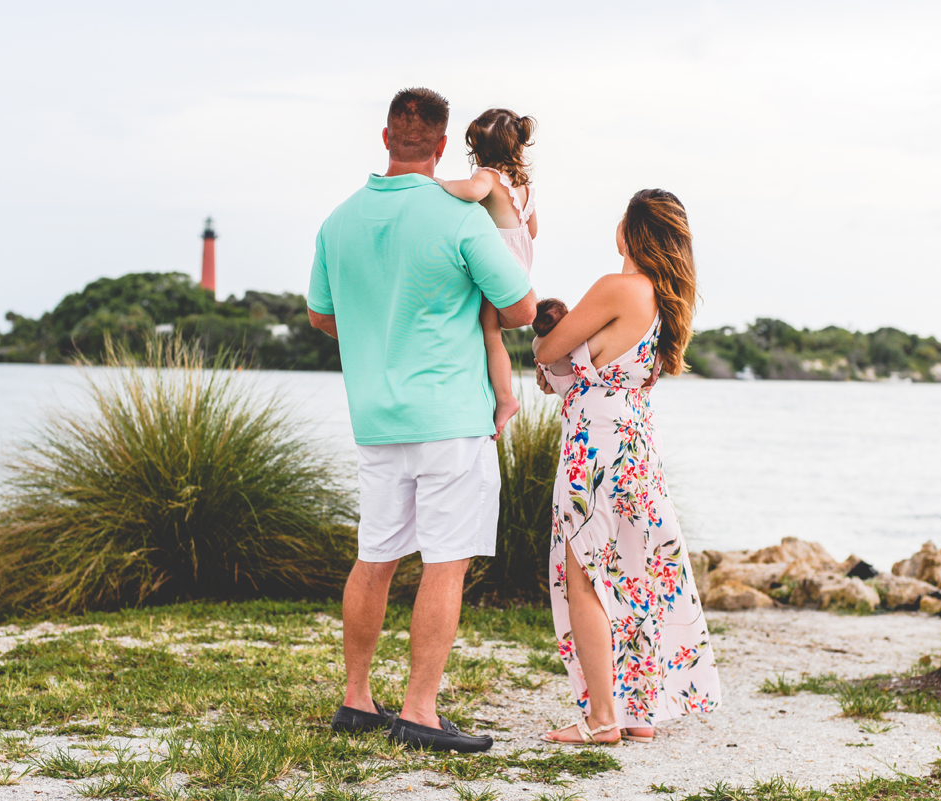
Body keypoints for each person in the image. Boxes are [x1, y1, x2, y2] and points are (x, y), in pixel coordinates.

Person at [308, 87, 536, 754]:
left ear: (385, 138)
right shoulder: (455, 215)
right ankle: (419, 711)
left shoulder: (338, 221)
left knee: (374, 556)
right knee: (445, 563)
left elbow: (324, 317)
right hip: (450, 420)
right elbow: (520, 307)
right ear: (441, 147)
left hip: (376, 419)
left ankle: (356, 699)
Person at [533, 189, 721, 745]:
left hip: (597, 449)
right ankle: (637, 712)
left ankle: (601, 718)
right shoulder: (663, 301)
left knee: (584, 575)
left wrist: (554, 335)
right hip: (637, 446)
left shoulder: (617, 287)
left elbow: (548, 353)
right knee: (632, 574)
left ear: (630, 231)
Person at [435, 109, 538, 439]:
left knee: (490, 333)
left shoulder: (487, 177)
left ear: (479, 150)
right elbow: (531, 230)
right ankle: (503, 395)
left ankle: (505, 398)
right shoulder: (524, 186)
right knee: (491, 332)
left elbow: (471, 192)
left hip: (499, 264)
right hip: (520, 263)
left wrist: (438, 183)